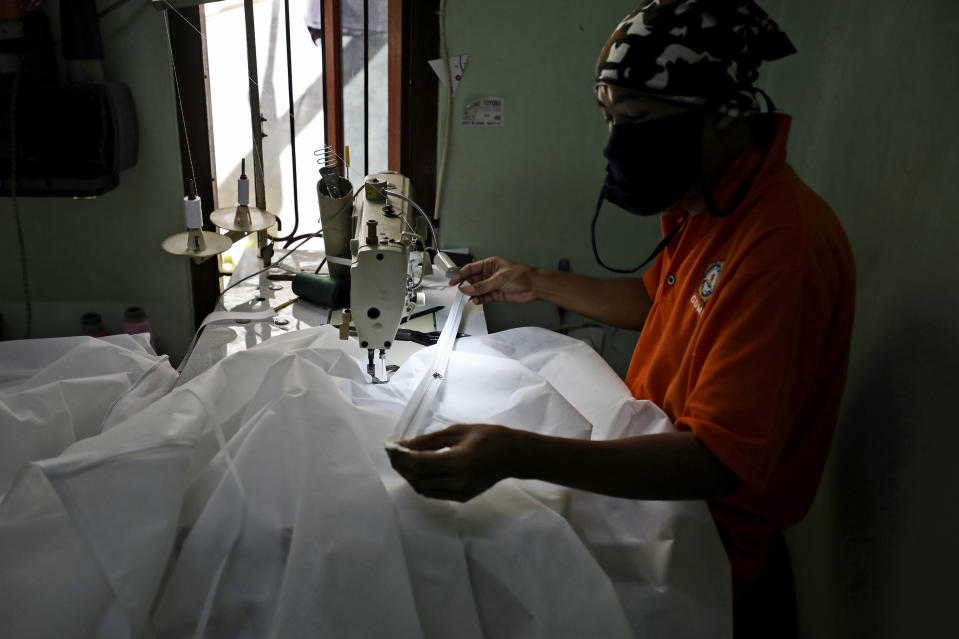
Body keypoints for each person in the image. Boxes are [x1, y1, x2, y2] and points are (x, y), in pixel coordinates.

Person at [388, 1, 855, 636]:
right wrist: (535, 280)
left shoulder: (779, 249)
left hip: (699, 544)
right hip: (653, 474)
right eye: (610, 119)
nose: (616, 144)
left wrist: (516, 454)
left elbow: (717, 461)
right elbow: (658, 302)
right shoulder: (707, 200)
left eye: (635, 120)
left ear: (721, 113)